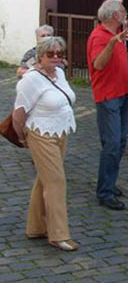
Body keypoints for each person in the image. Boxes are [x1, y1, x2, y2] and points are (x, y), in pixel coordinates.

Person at [12, 37, 78, 251]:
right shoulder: (30, 80)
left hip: (61, 131)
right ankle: (58, 234)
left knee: (44, 179)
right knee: (56, 181)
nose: (56, 57)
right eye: (51, 54)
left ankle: (35, 227)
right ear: (40, 56)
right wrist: (22, 138)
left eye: (60, 53)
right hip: (40, 134)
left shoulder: (59, 73)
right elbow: (18, 113)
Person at [87, 0, 128, 211]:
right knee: (112, 144)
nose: (126, 13)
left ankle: (109, 184)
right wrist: (113, 43)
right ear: (115, 15)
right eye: (123, 10)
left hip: (122, 94)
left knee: (120, 142)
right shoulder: (100, 36)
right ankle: (104, 191)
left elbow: (117, 63)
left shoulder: (116, 36)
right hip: (108, 97)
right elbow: (98, 64)